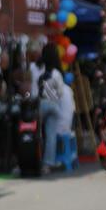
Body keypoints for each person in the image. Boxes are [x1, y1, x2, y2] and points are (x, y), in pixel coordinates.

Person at [36, 44, 64, 172]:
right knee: (50, 135)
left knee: (36, 133)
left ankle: (35, 159)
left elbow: (33, 89)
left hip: (39, 104)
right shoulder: (57, 73)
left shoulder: (37, 69)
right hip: (53, 105)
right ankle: (47, 164)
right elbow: (60, 93)